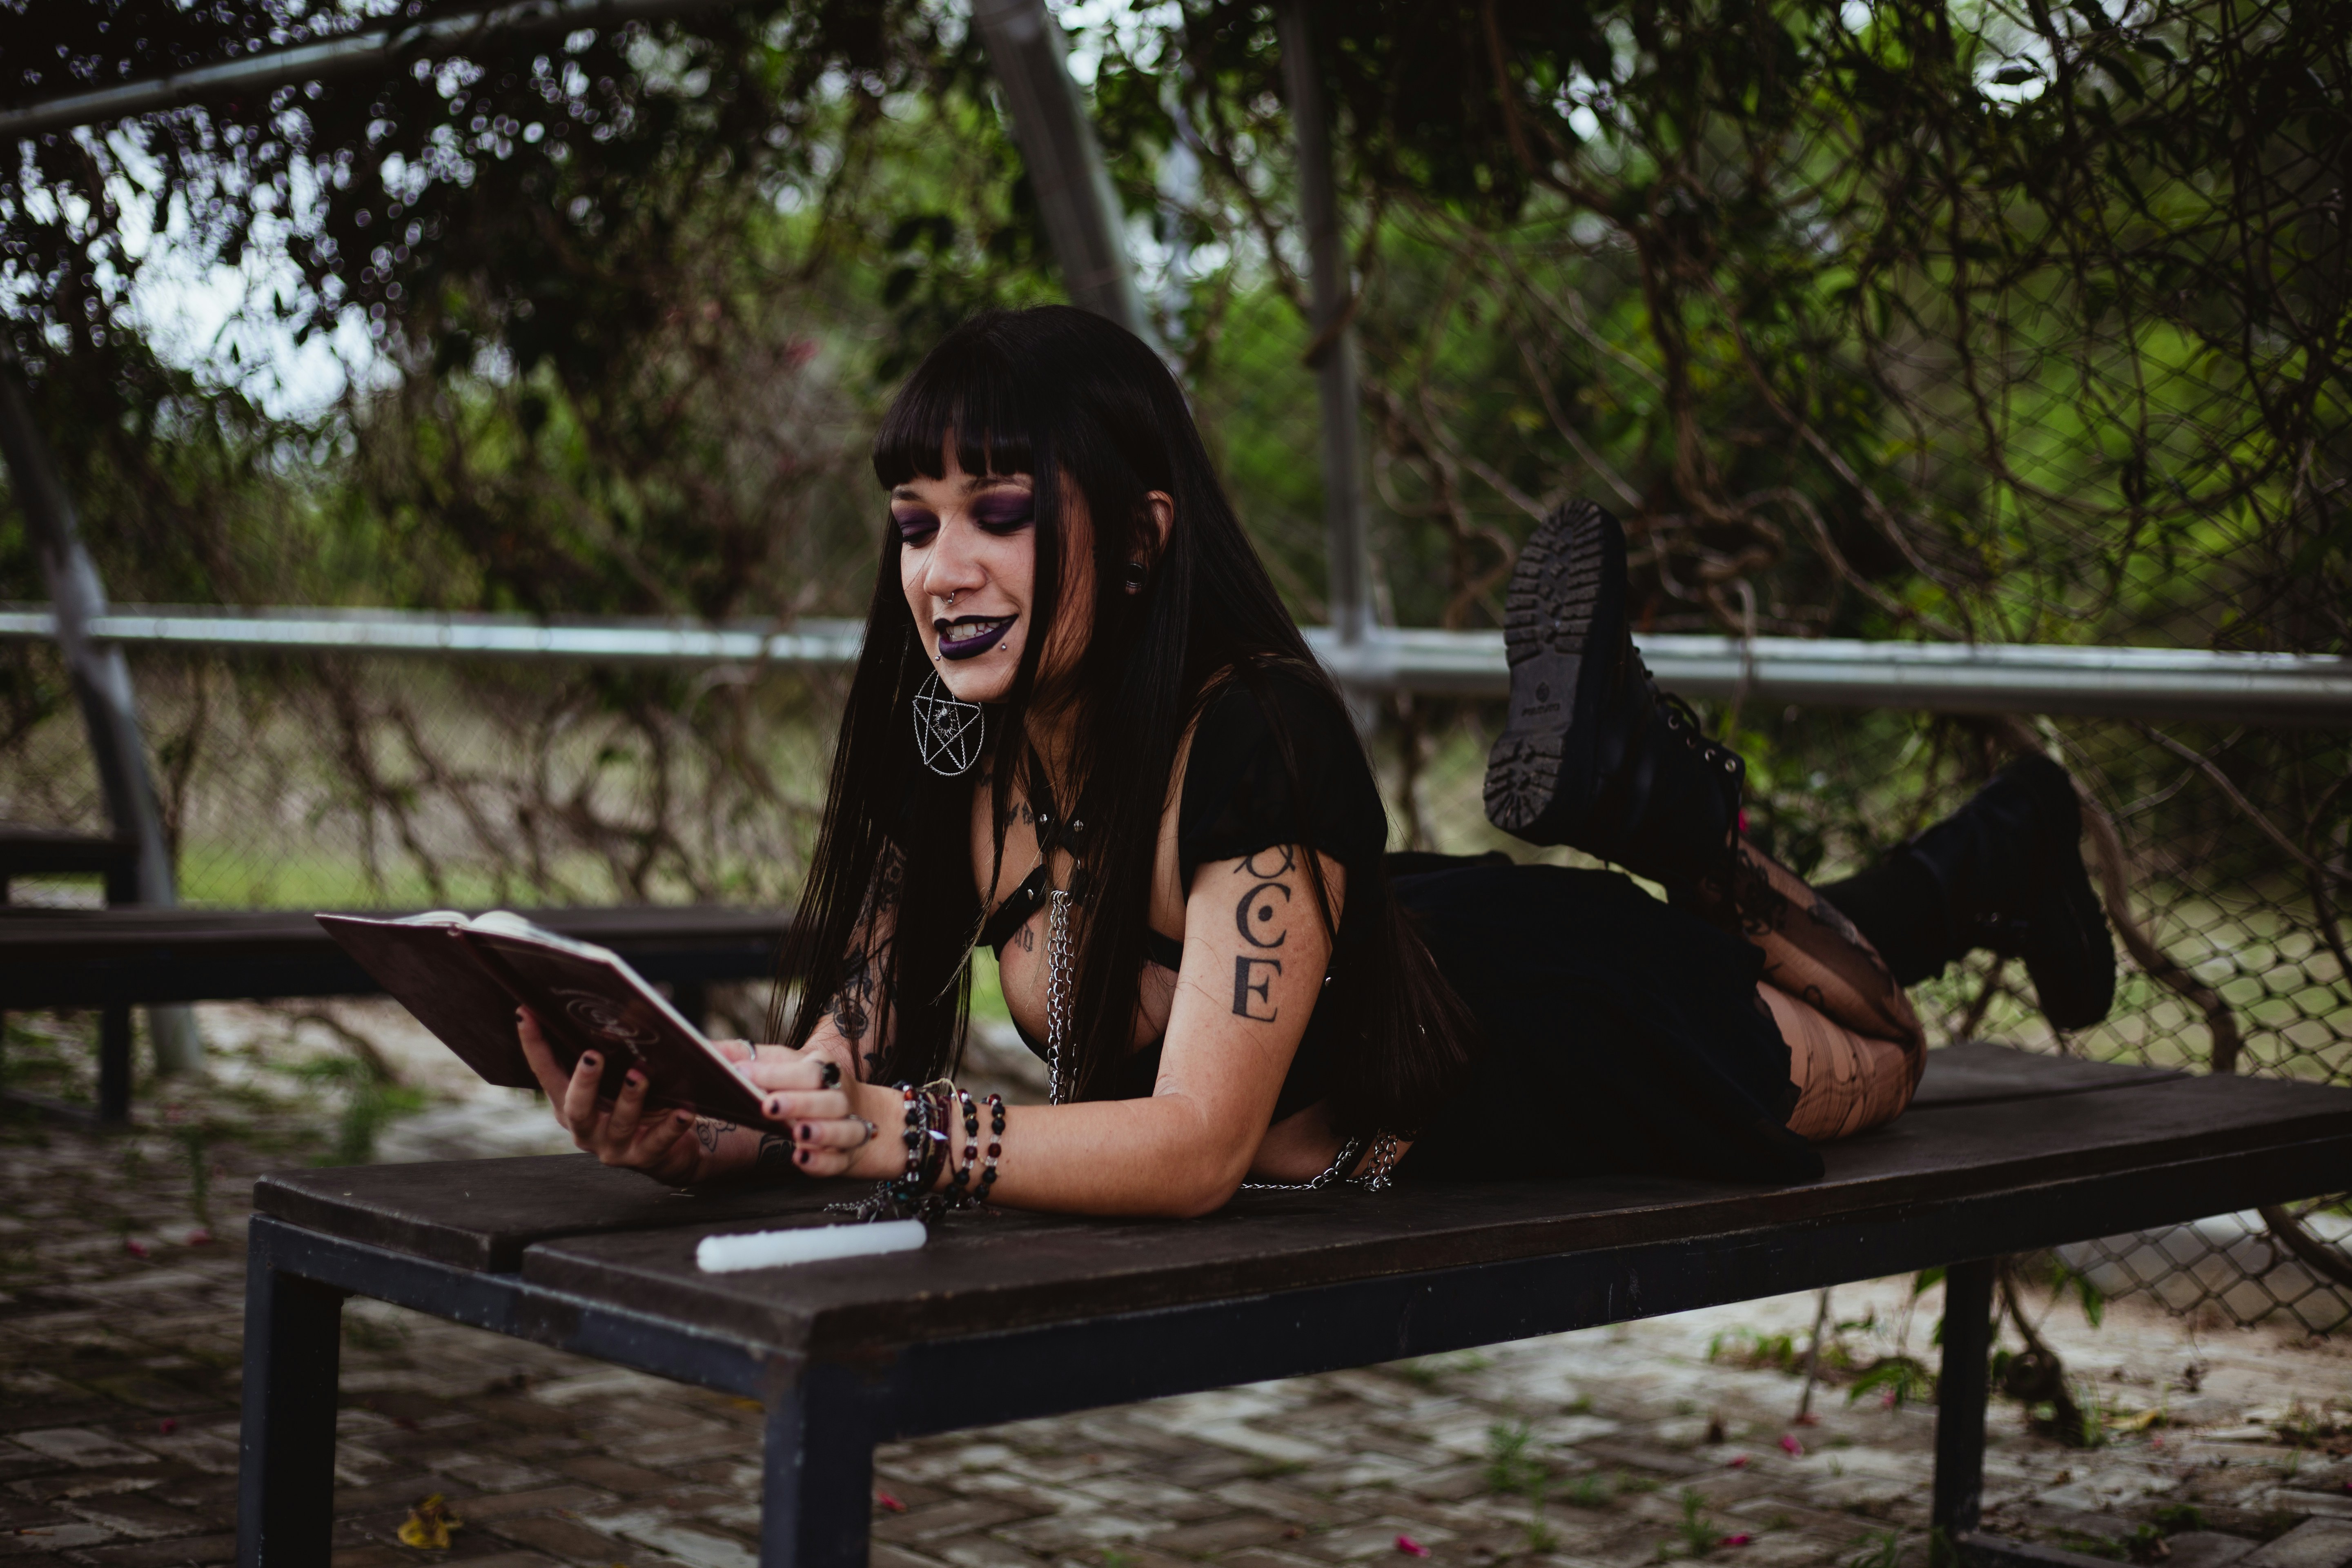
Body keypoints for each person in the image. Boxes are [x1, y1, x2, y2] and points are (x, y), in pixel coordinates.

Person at [517, 306, 2116, 1214]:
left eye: (1002, 516)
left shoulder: (1254, 729)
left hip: (1556, 1037)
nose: (942, 570)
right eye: (916, 522)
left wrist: (906, 1129)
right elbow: (845, 1058)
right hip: (1400, 939)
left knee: (1886, 1055)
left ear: (1143, 540)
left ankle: (1688, 834)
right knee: (1854, 983)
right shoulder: (956, 741)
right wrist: (719, 1124)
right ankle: (2006, 841)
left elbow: (1201, 1148)